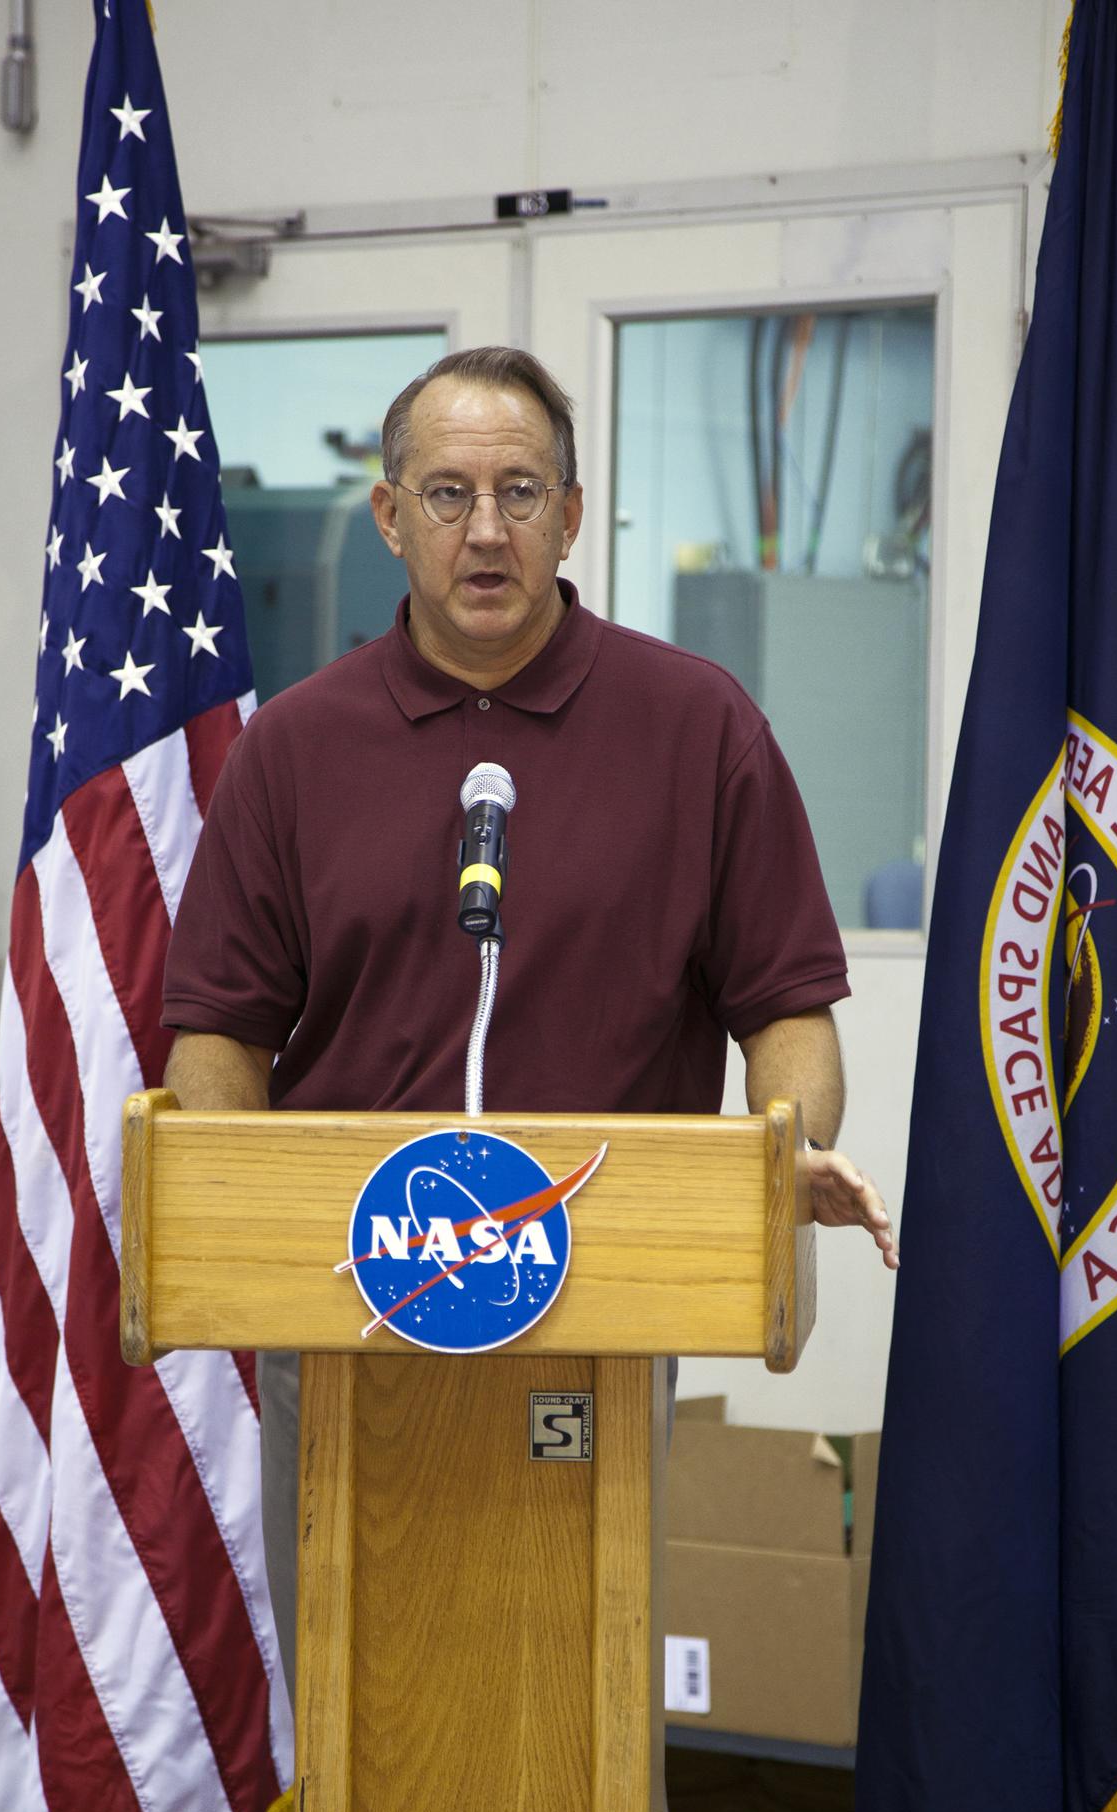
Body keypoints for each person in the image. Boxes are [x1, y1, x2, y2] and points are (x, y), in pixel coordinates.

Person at [160, 345, 899, 1689]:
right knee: (356, 1703)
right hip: (349, 1315)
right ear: (390, 518)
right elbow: (217, 1036)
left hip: (601, 1310)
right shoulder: (296, 749)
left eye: (520, 491)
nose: (486, 530)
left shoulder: (698, 727)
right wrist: (249, 1208)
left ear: (571, 513)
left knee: (576, 1705)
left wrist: (778, 1159)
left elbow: (788, 1012)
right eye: (448, 494)